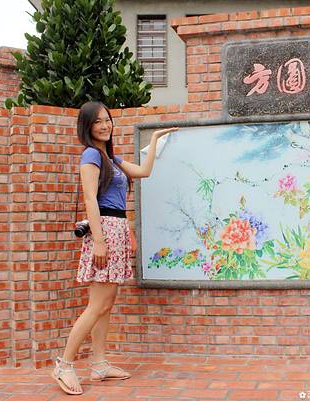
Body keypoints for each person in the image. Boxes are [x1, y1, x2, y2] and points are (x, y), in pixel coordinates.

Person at [51, 101, 177, 395]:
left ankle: (99, 364)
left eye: (107, 120)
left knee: (106, 305)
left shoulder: (112, 158)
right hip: (104, 230)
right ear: (87, 127)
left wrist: (155, 139)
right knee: (97, 305)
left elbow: (144, 171)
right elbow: (90, 198)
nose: (104, 125)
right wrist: (99, 240)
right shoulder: (91, 155)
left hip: (116, 228)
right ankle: (64, 365)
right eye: (97, 121)